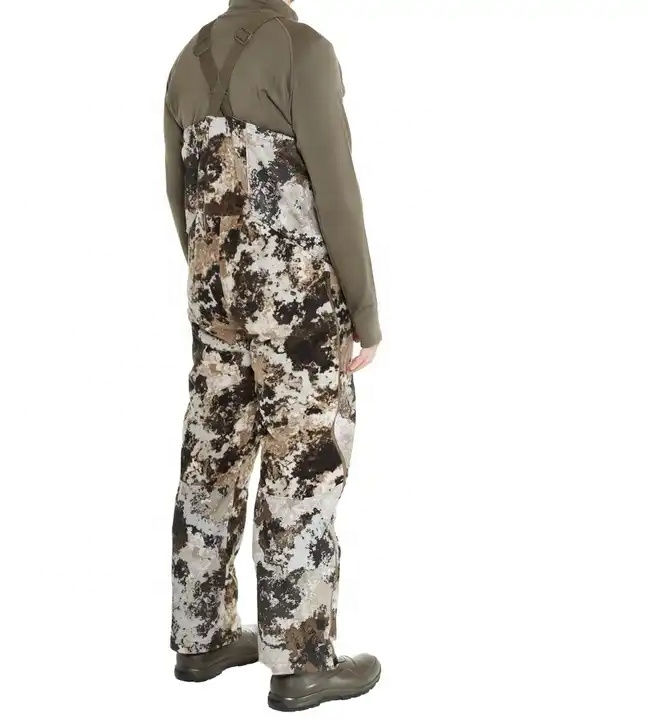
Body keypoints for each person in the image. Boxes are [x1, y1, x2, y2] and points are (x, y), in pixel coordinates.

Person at [163, 0, 382, 711]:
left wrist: (216, 281)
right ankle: (302, 661)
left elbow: (179, 194)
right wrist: (363, 310)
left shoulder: (187, 60)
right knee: (303, 461)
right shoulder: (302, 50)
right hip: (295, 305)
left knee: (212, 455)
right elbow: (336, 190)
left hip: (214, 297)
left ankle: (201, 637)